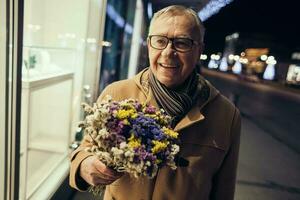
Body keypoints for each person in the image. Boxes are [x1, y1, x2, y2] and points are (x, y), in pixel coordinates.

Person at [69, 5, 241, 200]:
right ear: (149, 45)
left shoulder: (227, 115)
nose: (168, 52)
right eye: (160, 41)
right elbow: (85, 149)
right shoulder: (116, 93)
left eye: (182, 43)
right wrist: (85, 165)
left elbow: (224, 191)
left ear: (199, 49)